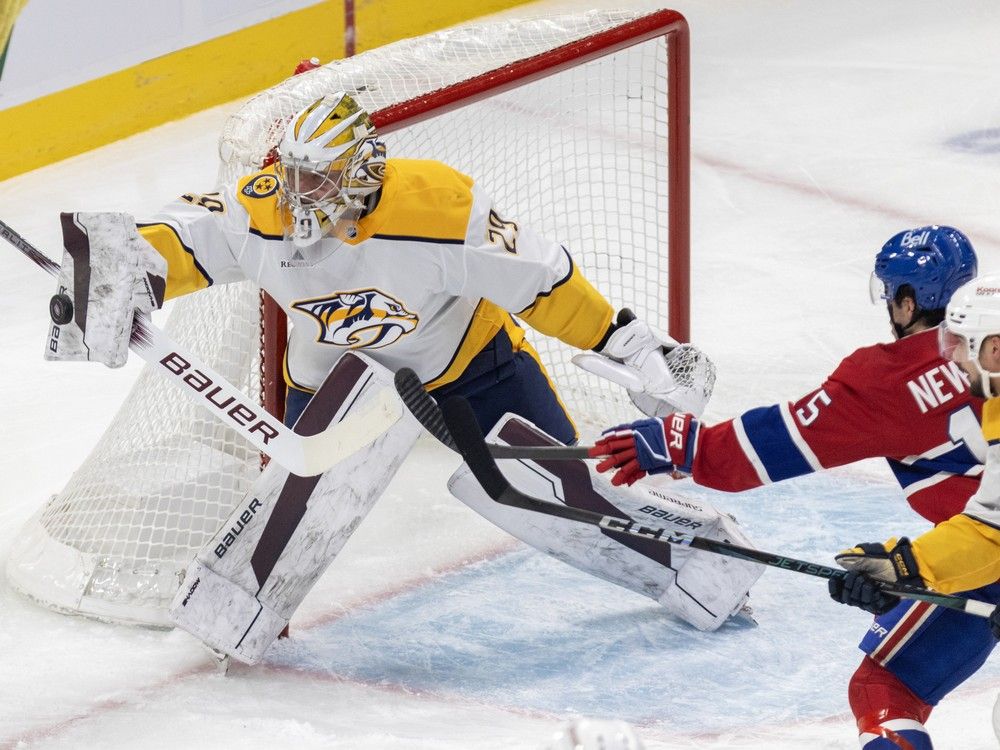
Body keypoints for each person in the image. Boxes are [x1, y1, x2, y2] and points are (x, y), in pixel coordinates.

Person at [47, 92, 754, 646]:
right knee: (297, 508)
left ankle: (704, 562)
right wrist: (113, 272)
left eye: (316, 180)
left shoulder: (437, 211)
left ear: (358, 176)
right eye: (291, 176)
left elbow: (541, 280)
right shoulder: (259, 211)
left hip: (469, 365)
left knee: (549, 490)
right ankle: (236, 611)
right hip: (333, 382)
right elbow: (183, 236)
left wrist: (630, 345)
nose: (296, 195)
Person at [587, 226, 984, 749]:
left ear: (908, 302)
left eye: (893, 295)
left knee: (885, 691)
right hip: (980, 548)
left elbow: (773, 444)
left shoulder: (888, 380)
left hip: (985, 554)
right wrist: (905, 566)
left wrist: (683, 445)